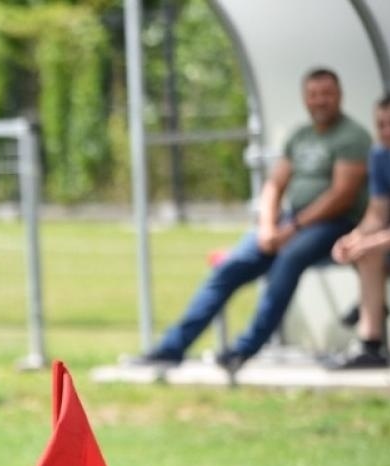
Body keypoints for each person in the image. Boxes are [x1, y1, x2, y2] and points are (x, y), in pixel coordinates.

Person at [127, 68, 371, 377]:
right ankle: (171, 348)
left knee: (288, 259)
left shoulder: (353, 137)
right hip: (289, 220)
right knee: (230, 266)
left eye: (327, 94)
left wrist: (290, 231)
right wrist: (269, 226)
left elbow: (341, 196)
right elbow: (274, 185)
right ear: (305, 98)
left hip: (335, 224)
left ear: (339, 96)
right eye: (314, 94)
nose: (320, 101)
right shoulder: (301, 135)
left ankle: (242, 349)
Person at [329, 92, 390, 370]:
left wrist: (374, 242)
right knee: (366, 253)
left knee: (371, 248)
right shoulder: (380, 154)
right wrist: (354, 239)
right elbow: (378, 212)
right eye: (381, 125)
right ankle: (370, 344)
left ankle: (367, 307)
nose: (387, 132)